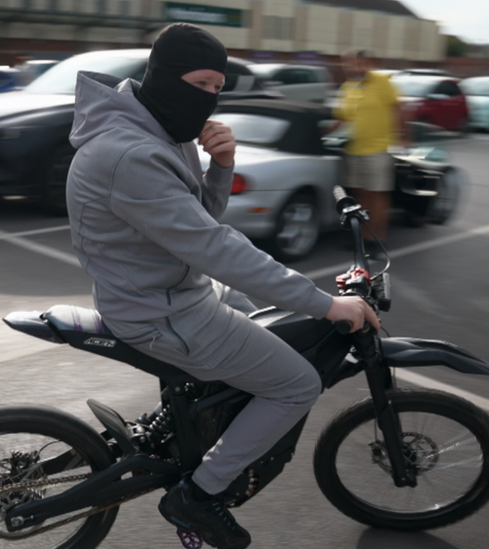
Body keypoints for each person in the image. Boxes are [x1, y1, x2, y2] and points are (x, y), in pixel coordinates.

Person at [65, 24, 380, 549]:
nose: (212, 98)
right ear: (166, 77)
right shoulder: (132, 154)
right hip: (160, 311)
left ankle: (197, 423)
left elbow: (194, 223)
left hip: (171, 290)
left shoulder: (160, 132)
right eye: (204, 83)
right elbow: (215, 247)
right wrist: (325, 304)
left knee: (262, 325)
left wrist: (222, 167)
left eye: (219, 86)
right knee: (296, 384)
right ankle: (199, 496)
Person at [326, 49, 410, 250]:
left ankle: (377, 239)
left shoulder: (383, 83)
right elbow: (342, 117)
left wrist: (405, 136)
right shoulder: (348, 87)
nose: (356, 67)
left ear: (370, 63)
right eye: (351, 64)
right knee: (360, 195)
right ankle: (362, 238)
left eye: (361, 63)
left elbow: (398, 109)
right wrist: (322, 133)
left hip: (378, 148)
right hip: (355, 149)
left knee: (378, 196)